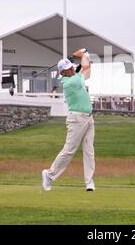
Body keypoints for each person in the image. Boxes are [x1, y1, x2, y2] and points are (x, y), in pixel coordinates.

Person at [42, 49, 95, 191]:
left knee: (89, 150)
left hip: (89, 118)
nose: (71, 69)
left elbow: (85, 71)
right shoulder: (70, 83)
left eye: (71, 66)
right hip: (77, 119)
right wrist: (83, 55)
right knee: (69, 150)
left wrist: (84, 56)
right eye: (67, 69)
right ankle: (49, 174)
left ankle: (89, 182)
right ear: (62, 73)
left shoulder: (75, 76)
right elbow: (86, 68)